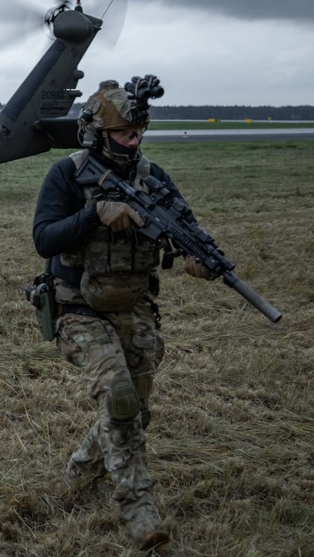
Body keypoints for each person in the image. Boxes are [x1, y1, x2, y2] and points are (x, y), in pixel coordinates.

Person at [32, 76, 211, 551]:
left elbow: (185, 228)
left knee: (136, 408)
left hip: (135, 306)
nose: (133, 142)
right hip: (78, 309)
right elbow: (44, 239)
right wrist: (95, 213)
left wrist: (198, 259)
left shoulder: (152, 176)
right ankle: (138, 509)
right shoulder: (67, 175)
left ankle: (82, 467)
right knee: (119, 396)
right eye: (124, 134)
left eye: (138, 133)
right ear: (97, 133)